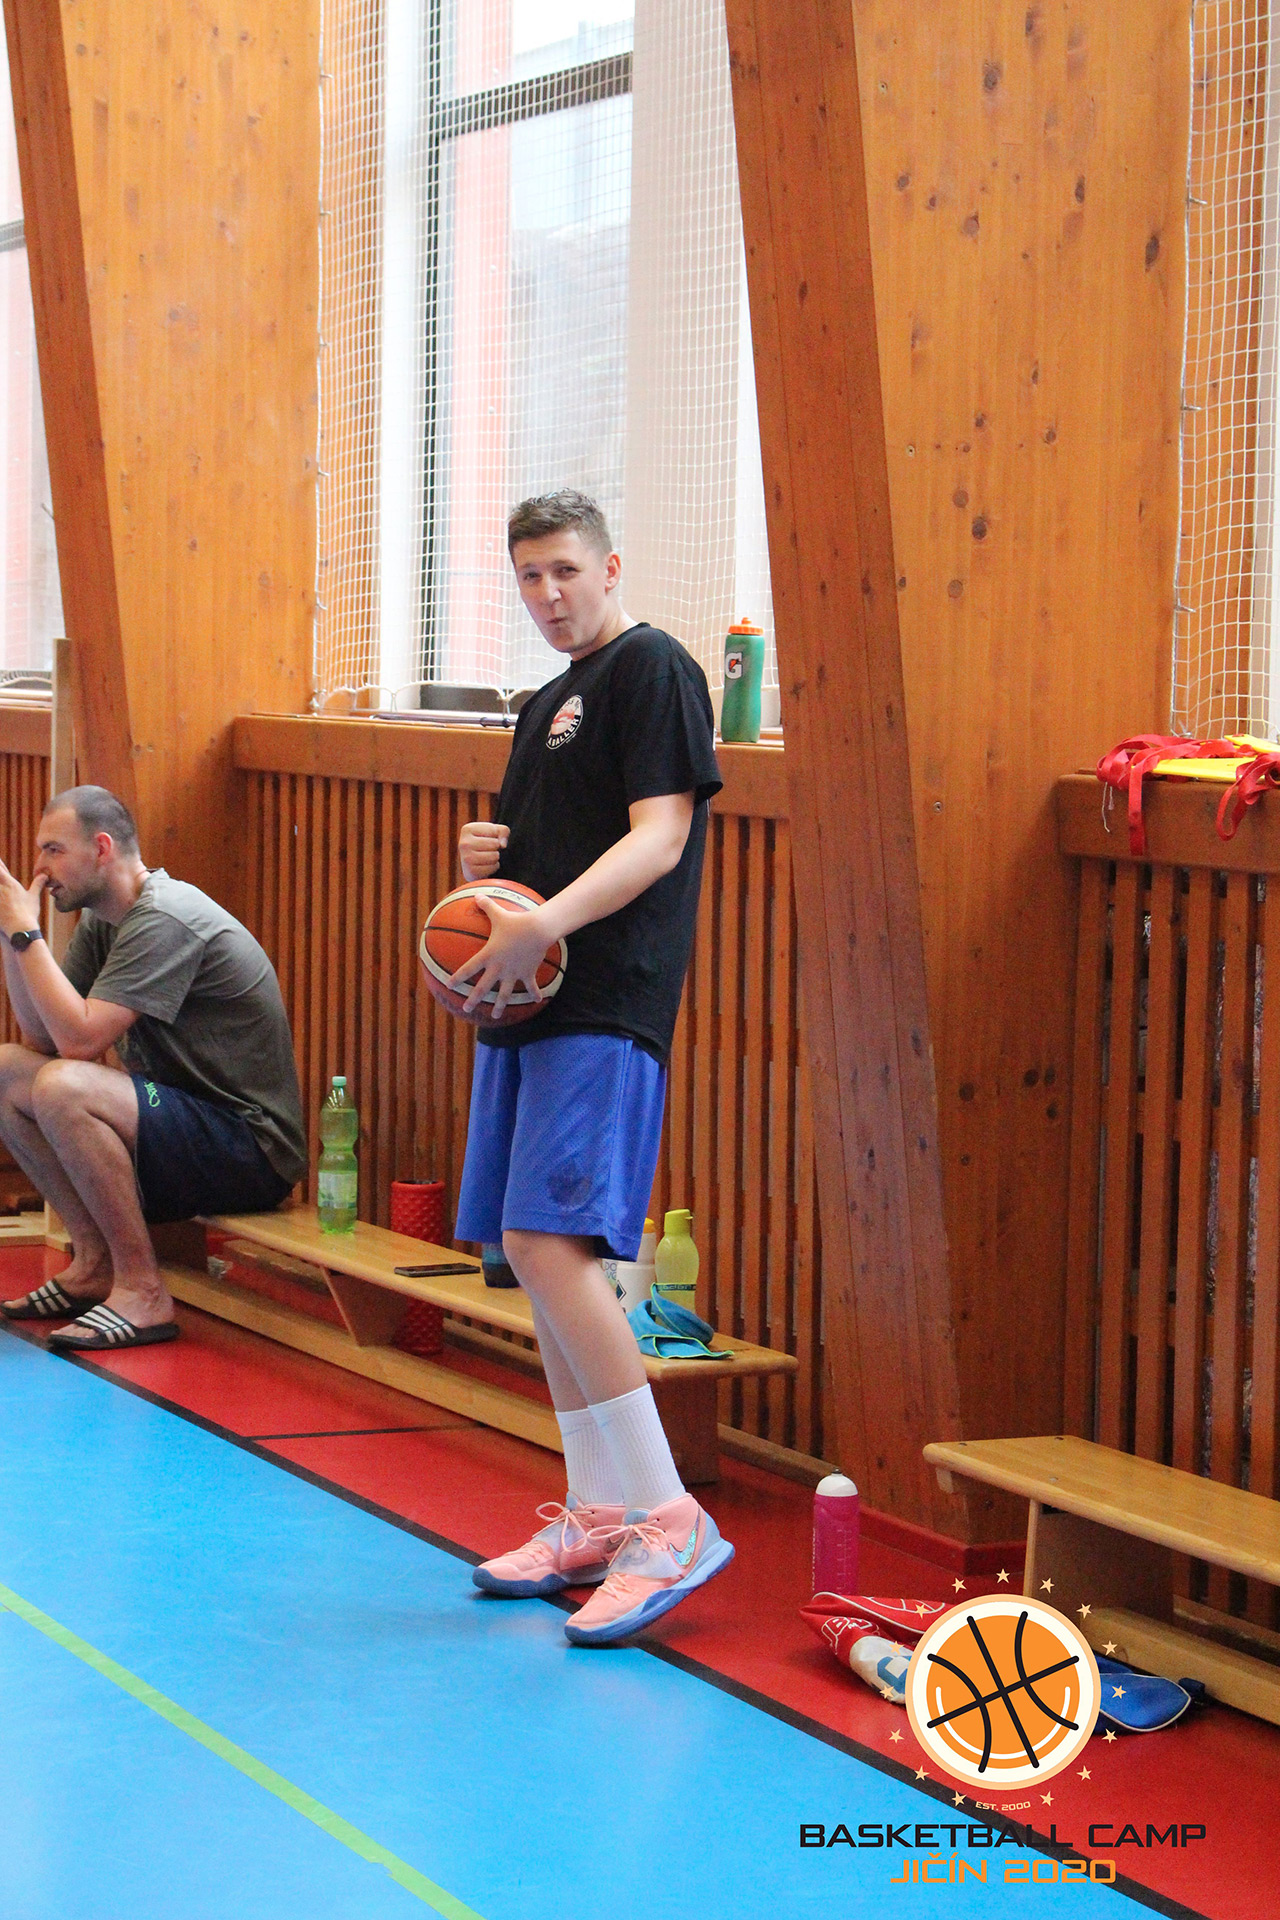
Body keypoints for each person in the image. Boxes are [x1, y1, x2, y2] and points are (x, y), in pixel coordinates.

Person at [452, 489, 732, 1646]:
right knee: (529, 1253)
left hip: (605, 999)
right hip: (528, 1002)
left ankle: (668, 1517)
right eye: (528, 575)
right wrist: (483, 867)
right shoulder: (542, 707)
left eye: (564, 570)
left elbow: (658, 835)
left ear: (609, 567)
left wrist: (545, 922)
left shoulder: (651, 669)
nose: (547, 593)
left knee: (548, 1243)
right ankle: (597, 1512)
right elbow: (525, 881)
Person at [0, 785, 306, 1349]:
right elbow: (41, 1037)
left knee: (65, 1087)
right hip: (182, 1124)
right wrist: (9, 935)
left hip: (250, 1147)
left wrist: (27, 934)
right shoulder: (105, 921)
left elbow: (80, 1042)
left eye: (53, 849)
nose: (40, 867)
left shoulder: (165, 916)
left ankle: (143, 1290)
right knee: (7, 1071)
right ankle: (94, 1263)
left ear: (101, 848)